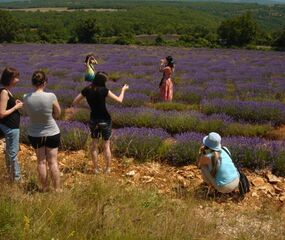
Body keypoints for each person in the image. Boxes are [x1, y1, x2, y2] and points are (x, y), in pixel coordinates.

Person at [70, 71, 129, 174]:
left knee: (94, 145)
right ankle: (107, 169)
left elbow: (74, 102)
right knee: (106, 145)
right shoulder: (104, 90)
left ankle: (96, 169)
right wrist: (123, 90)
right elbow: (120, 100)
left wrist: (87, 106)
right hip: (105, 119)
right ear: (102, 81)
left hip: (93, 119)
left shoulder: (86, 89)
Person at [23, 71, 61, 192]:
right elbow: (58, 112)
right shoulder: (51, 96)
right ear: (45, 82)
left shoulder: (25, 97)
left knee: (41, 162)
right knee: (53, 162)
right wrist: (52, 116)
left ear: (33, 83)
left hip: (35, 134)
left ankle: (45, 188)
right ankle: (57, 189)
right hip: (52, 132)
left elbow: (27, 111)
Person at [0, 67, 23, 181]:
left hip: (11, 127)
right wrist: (16, 107)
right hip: (10, 128)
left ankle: (12, 177)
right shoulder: (4, 92)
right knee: (12, 154)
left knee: (10, 154)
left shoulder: (7, 91)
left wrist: (14, 103)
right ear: (10, 78)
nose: (18, 80)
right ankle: (17, 179)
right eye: (16, 77)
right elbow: (2, 113)